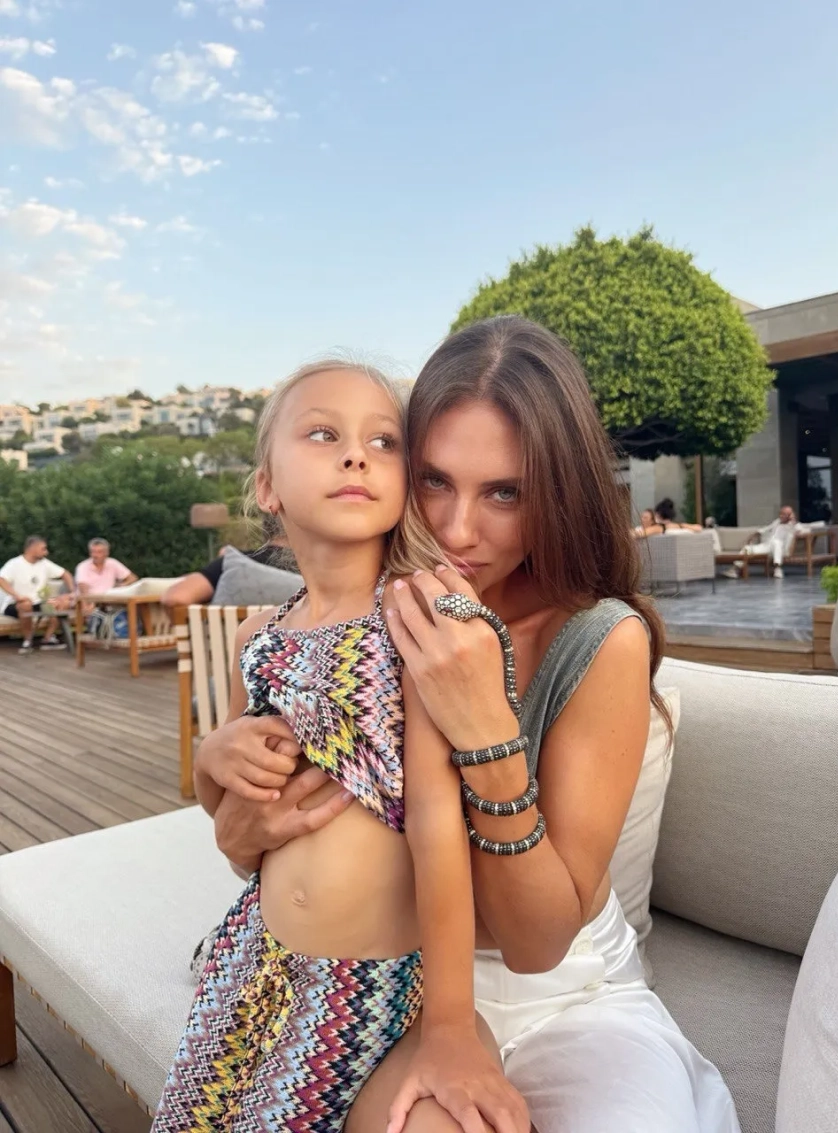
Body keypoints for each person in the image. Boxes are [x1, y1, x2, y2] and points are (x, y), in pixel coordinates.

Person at [197, 317, 742, 1133]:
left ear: (557, 493)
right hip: (378, 979)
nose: (457, 530)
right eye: (434, 480)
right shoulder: (346, 628)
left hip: (558, 997)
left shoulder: (597, 639)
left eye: (504, 493)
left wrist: (486, 730)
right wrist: (229, 798)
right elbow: (272, 837)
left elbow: (535, 942)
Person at [153, 360, 527, 1133]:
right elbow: (236, 824)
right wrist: (211, 758)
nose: (356, 454)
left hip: (379, 985)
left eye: (383, 441)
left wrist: (450, 1023)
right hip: (258, 966)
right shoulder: (258, 639)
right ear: (267, 487)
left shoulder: (420, 620)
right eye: (324, 434)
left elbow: (437, 827)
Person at [161, 513, 298, 609]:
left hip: (225, 642)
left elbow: (175, 598)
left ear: (264, 528)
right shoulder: (309, 571)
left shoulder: (234, 563)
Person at [0, 535, 75, 654]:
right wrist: (17, 596)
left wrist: (72, 592)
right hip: (14, 604)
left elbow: (65, 574)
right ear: (32, 548)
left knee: (62, 604)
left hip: (38, 603)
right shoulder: (14, 564)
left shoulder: (45, 564)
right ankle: (27, 641)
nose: (46, 552)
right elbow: (1, 579)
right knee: (26, 604)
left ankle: (48, 638)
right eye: (43, 549)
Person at [724, 505, 800, 579]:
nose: (781, 516)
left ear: (790, 515)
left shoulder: (793, 526)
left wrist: (793, 521)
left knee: (776, 542)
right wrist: (754, 535)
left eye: (784, 514)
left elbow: (801, 530)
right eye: (780, 513)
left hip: (781, 549)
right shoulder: (777, 522)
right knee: (747, 548)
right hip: (768, 547)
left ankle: (778, 568)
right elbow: (766, 529)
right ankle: (735, 570)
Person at [635, 497, 703, 537]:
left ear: (658, 515)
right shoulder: (677, 526)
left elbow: (640, 534)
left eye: (645, 517)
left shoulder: (658, 527)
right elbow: (699, 528)